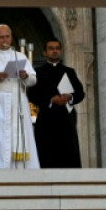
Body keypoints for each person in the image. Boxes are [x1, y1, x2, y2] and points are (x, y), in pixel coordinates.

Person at [0, 24, 39, 169]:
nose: (5, 40)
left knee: (19, 137)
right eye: (1, 37)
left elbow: (33, 80)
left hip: (18, 103)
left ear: (11, 38)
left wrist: (25, 76)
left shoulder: (20, 57)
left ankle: (21, 170)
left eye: (7, 36)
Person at [27, 38, 86, 168]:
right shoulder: (38, 72)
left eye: (57, 48)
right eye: (51, 48)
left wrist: (70, 97)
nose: (54, 51)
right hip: (47, 118)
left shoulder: (69, 71)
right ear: (44, 53)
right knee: (46, 152)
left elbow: (80, 93)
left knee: (69, 152)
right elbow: (32, 95)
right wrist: (51, 99)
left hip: (66, 118)